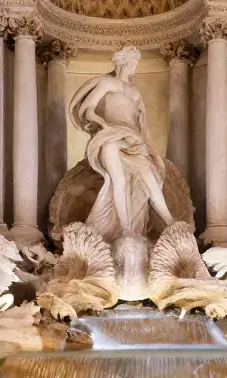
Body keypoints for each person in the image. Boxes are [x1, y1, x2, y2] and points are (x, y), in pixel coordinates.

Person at [67, 45, 174, 241]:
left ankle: (172, 224)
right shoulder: (108, 83)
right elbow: (88, 108)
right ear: (121, 63)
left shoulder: (135, 92)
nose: (134, 66)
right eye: (131, 62)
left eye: (136, 63)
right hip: (110, 138)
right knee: (119, 181)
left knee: (150, 179)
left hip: (133, 141)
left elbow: (141, 123)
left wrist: (146, 144)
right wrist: (104, 125)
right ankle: (126, 230)